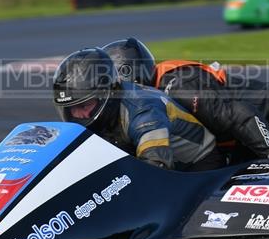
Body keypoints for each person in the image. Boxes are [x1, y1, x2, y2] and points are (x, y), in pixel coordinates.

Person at [101, 38, 269, 159]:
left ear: (129, 72)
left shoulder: (180, 86)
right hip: (247, 134)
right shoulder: (151, 99)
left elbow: (243, 115)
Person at [52, 48, 224, 171]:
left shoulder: (144, 111)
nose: (80, 115)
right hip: (139, 153)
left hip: (198, 165)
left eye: (84, 105)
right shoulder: (107, 109)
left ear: (107, 94)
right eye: (72, 109)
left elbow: (156, 169)